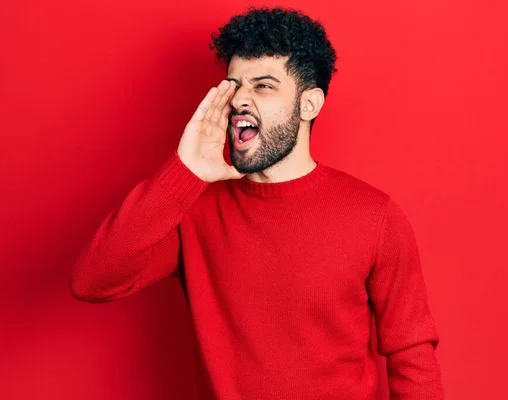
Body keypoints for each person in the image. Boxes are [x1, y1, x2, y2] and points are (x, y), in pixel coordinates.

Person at [70, 6, 444, 400]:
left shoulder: (375, 216)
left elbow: (411, 355)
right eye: (234, 86)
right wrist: (184, 171)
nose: (239, 100)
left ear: (309, 104)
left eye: (263, 86)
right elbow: (93, 280)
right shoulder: (193, 209)